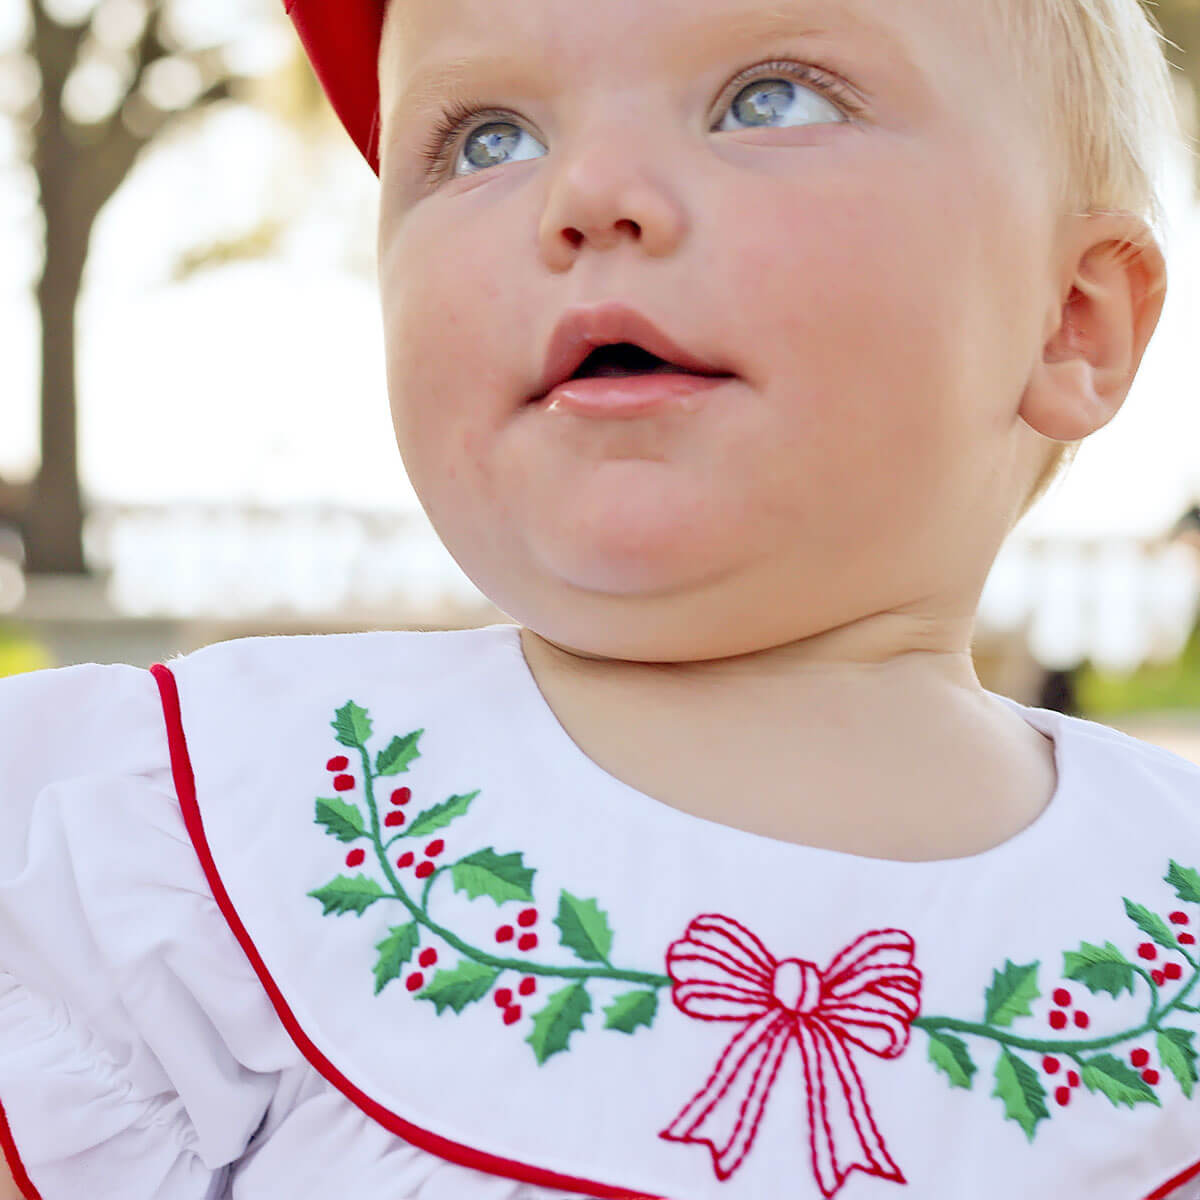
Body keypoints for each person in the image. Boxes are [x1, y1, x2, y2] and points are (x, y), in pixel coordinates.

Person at [1, 0, 1198, 1196]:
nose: (588, 192)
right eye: (486, 138)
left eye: (770, 99)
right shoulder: (214, 830)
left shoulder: (1172, 912)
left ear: (1070, 322)